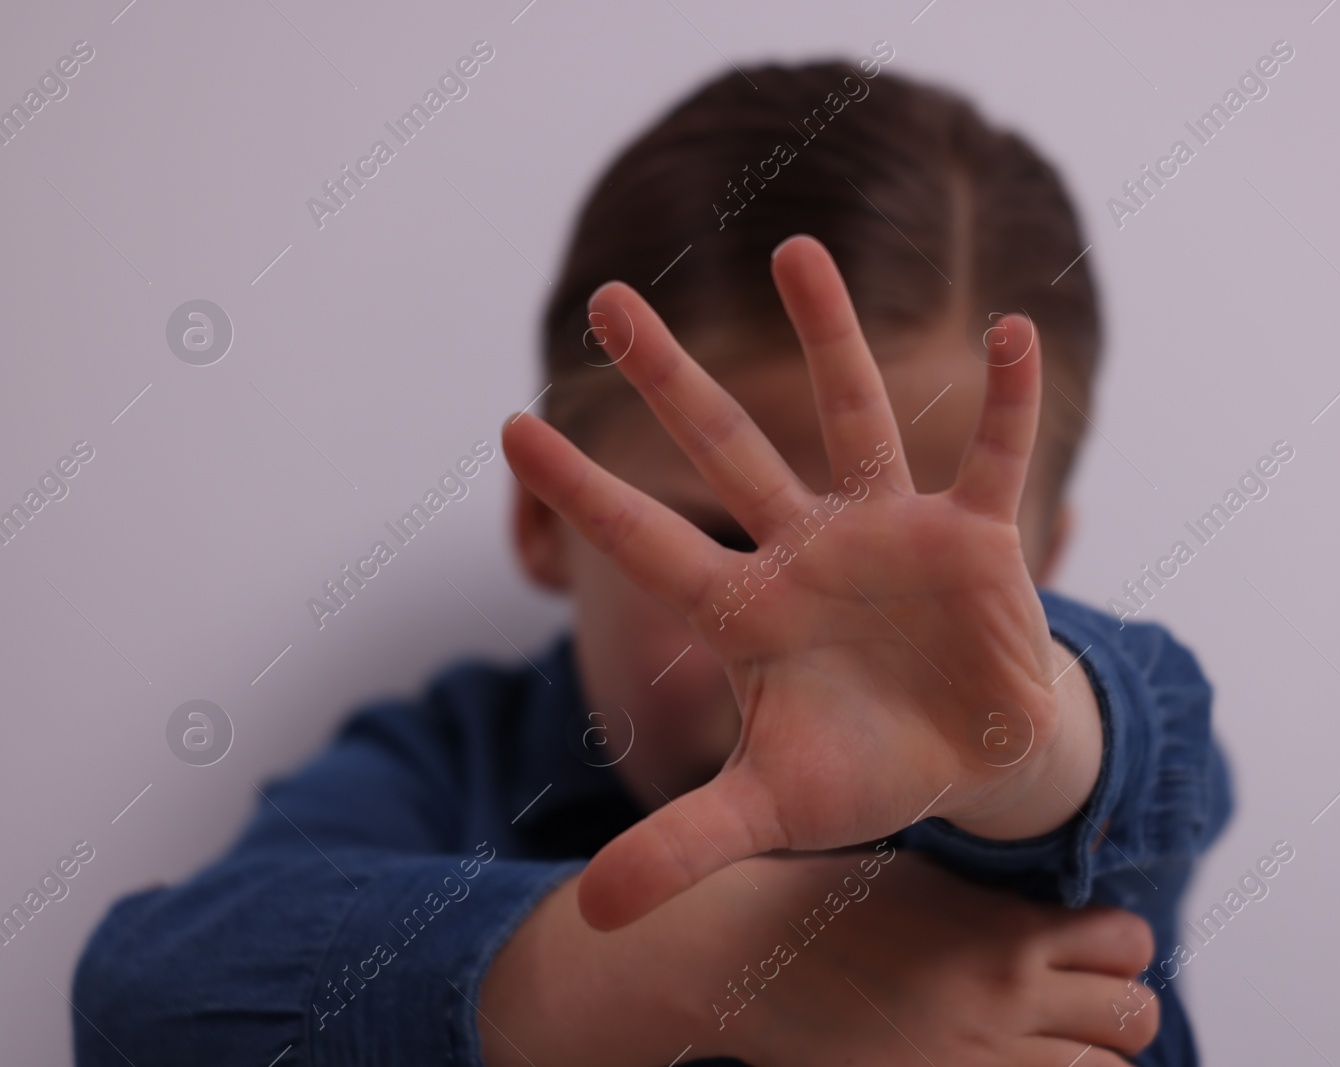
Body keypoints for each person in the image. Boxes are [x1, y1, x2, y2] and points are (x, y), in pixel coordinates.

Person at [73, 56, 1231, 1066]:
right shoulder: (453, 760)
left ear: (1046, 568)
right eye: (727, 544)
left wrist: (1033, 742)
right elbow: (142, 1001)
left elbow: (1164, 749)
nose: (827, 660)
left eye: (932, 599)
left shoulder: (1077, 834)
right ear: (546, 523)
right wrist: (672, 967)